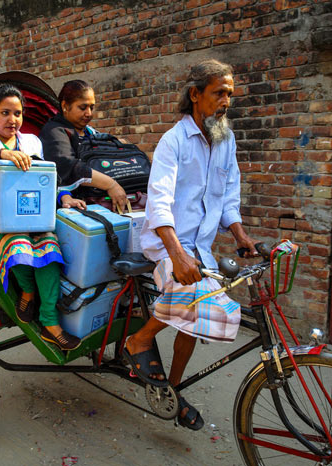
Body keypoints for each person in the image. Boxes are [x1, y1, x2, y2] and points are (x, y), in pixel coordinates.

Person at [123, 59, 259, 430]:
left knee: (193, 321)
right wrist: (177, 255)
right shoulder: (173, 142)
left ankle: (173, 387)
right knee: (194, 297)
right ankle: (139, 340)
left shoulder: (225, 138)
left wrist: (241, 235)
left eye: (230, 93)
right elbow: (159, 203)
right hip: (167, 243)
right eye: (219, 93)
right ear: (196, 95)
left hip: (200, 246)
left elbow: (229, 194)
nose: (226, 101)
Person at [0, 83, 86, 350]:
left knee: (50, 249)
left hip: (34, 212)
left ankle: (49, 321)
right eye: (4, 113)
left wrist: (63, 197)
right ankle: (26, 290)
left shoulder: (32, 142)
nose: (12, 120)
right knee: (19, 245)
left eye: (18, 113)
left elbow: (44, 179)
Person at [39, 80, 129, 212]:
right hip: (75, 207)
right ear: (65, 106)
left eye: (91, 107)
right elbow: (69, 166)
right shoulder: (54, 132)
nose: (89, 113)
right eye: (83, 107)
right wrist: (111, 185)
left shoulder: (89, 132)